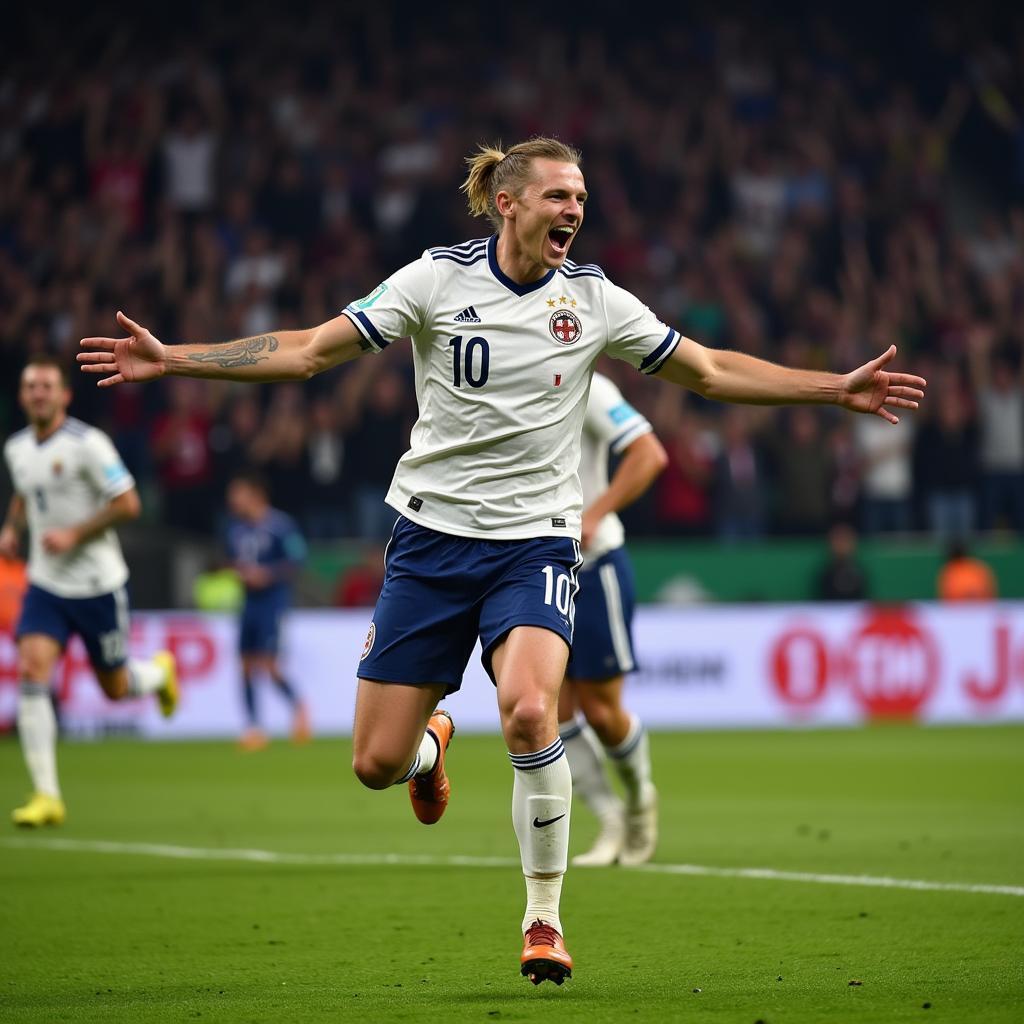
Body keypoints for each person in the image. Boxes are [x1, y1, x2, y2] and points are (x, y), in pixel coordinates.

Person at [79, 137, 926, 985]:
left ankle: (544, 921)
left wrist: (832, 386)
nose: (574, 211)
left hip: (537, 545)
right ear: (508, 202)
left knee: (530, 712)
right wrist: (176, 358)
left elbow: (706, 371)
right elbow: (307, 351)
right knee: (376, 764)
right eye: (559, 195)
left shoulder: (593, 299)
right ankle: (429, 750)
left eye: (582, 198)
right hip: (428, 544)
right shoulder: (434, 280)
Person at [1, 357, 179, 828]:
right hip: (45, 584)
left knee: (116, 687)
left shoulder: (88, 445)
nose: (38, 393)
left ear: (64, 396)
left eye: (46, 386)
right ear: (22, 397)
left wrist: (74, 535)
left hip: (98, 586)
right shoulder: (17, 448)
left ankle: (159, 675)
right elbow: (26, 490)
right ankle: (47, 795)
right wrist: (11, 527)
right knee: (33, 669)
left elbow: (129, 503)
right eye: (30, 386)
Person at [557, 371, 667, 867]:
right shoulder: (502, 372)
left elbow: (649, 454)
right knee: (546, 711)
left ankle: (640, 798)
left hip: (594, 564)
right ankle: (609, 820)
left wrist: (595, 513)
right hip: (530, 567)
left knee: (601, 712)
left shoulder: (587, 384)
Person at [223, 471, 310, 750]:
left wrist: (266, 575)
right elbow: (232, 561)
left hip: (272, 603)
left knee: (270, 667)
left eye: (238, 493)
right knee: (246, 667)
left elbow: (297, 559)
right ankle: (253, 728)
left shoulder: (280, 525)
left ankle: (299, 707)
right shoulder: (235, 529)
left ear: (255, 494)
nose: (233, 500)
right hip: (248, 603)